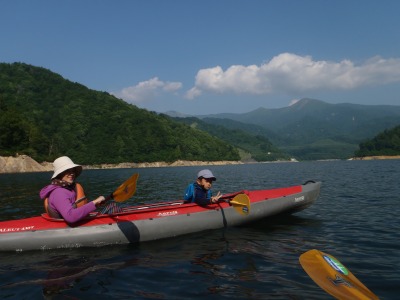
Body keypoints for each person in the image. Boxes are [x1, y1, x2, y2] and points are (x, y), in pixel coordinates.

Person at [39, 156, 106, 224]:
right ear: (59, 174)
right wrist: (94, 202)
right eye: (67, 171)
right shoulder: (59, 192)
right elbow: (71, 217)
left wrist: (95, 204)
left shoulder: (68, 188)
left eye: (73, 171)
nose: (72, 173)